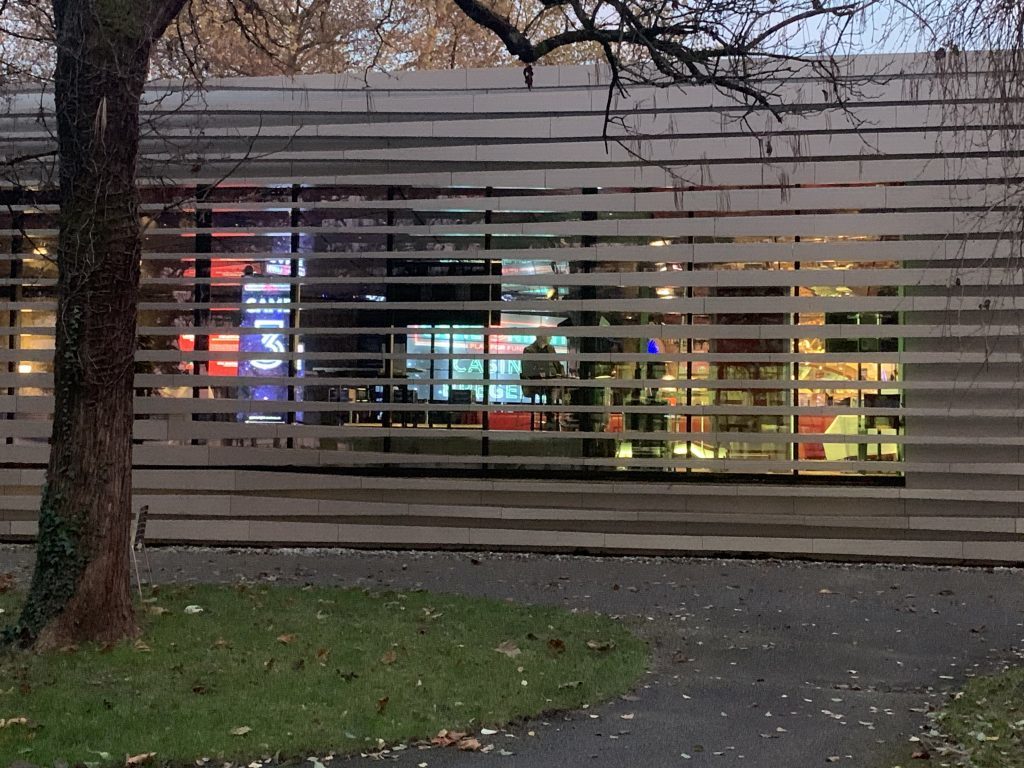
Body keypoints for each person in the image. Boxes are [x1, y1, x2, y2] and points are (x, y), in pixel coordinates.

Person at [522, 335, 564, 429]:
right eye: (549, 335)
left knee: (563, 388)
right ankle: (550, 417)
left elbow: (558, 365)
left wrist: (562, 374)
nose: (551, 337)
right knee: (552, 388)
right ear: (542, 337)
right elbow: (527, 370)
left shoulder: (551, 348)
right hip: (536, 382)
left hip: (553, 379)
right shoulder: (529, 350)